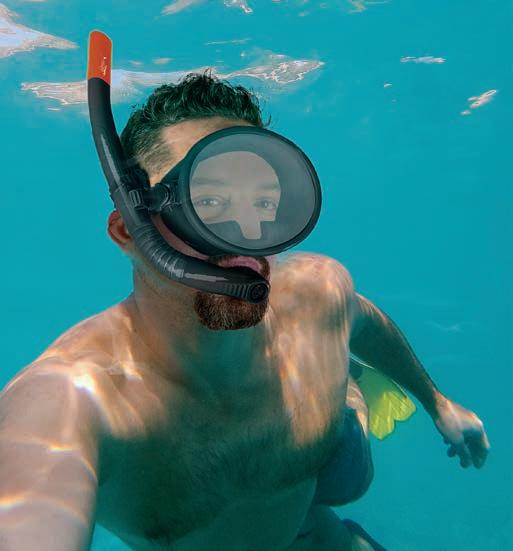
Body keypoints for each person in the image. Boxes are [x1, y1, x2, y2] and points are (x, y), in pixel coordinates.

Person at [0, 67, 489, 551]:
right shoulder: (76, 400)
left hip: (317, 476)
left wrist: (439, 404)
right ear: (130, 232)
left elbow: (360, 319)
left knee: (351, 478)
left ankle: (349, 389)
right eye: (208, 202)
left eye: (264, 204)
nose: (247, 237)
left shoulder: (316, 295)